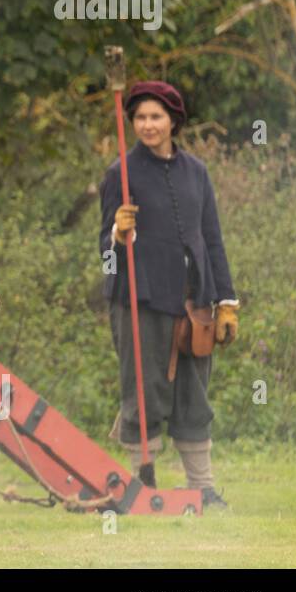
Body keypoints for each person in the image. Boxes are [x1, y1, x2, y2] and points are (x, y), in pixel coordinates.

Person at [99, 80, 238, 507]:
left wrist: (227, 301)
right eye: (140, 117)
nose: (147, 125)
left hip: (195, 300)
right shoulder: (119, 174)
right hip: (140, 299)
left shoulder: (197, 171)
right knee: (143, 389)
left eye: (156, 116)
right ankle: (143, 479)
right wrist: (118, 236)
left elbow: (211, 238)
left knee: (194, 393)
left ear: (173, 121)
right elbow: (104, 254)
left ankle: (203, 486)